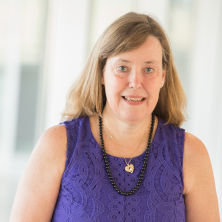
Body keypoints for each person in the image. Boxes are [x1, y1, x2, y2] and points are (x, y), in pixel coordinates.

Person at [10, 12, 220, 222]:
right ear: (102, 73)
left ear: (163, 76)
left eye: (149, 69)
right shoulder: (57, 145)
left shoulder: (192, 154)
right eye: (122, 68)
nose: (135, 82)